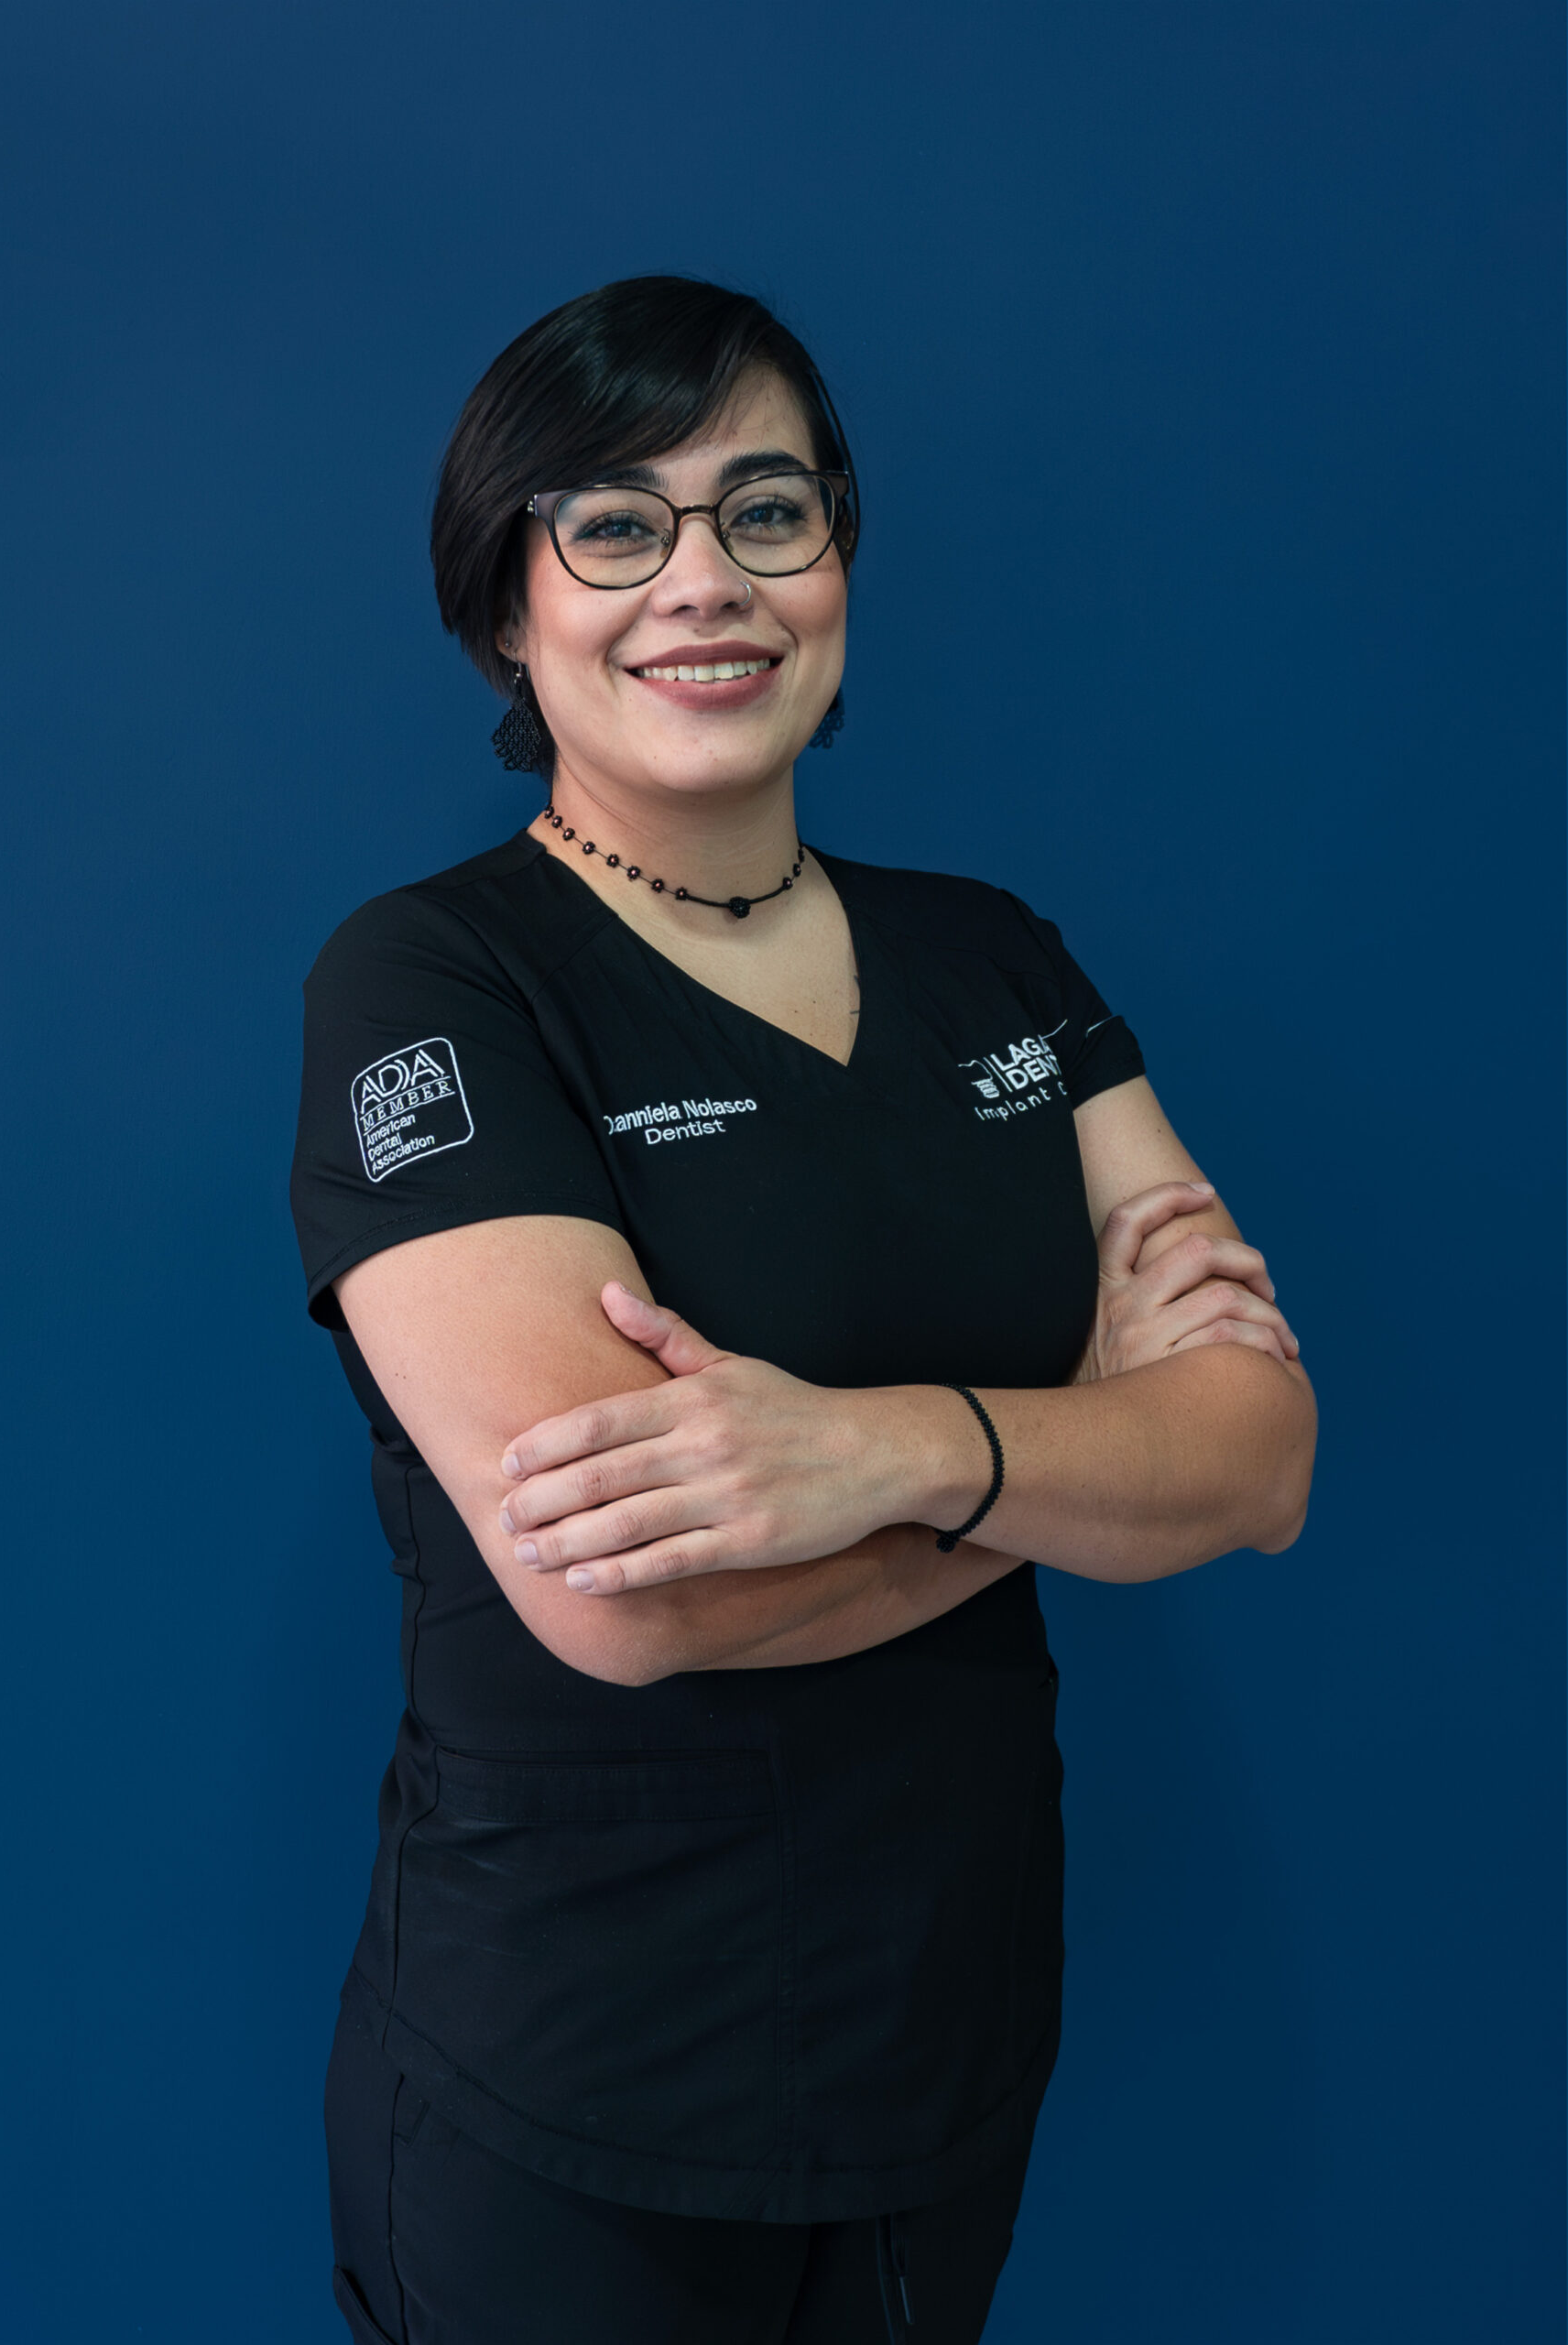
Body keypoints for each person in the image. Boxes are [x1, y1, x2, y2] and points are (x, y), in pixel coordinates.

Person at [289, 274, 1318, 2345]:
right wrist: (1079, 1442)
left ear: (836, 559)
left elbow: (1261, 1461)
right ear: (505, 607)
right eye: (613, 524)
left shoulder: (993, 957)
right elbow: (623, 1595)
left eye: (768, 509)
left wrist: (889, 1449)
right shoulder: (434, 983)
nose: (707, 579)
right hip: (574, 2077)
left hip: (943, 2030)